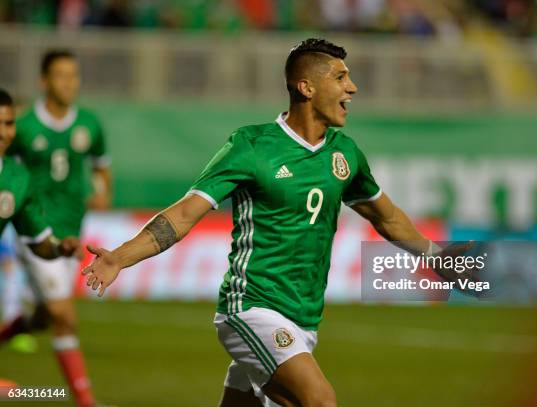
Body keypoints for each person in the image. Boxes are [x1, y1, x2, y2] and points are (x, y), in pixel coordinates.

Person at [82, 38, 470, 407]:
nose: (352, 88)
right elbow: (184, 214)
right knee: (319, 400)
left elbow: (386, 217)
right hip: (252, 307)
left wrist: (437, 256)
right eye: (340, 77)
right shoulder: (251, 146)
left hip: (304, 318)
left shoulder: (346, 154)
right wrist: (119, 258)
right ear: (306, 87)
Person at [7, 50, 112, 407]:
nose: (69, 83)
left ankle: (9, 331)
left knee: (43, 315)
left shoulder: (89, 123)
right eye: (61, 76)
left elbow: (101, 162)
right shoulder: (21, 126)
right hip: (34, 229)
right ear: (44, 81)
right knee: (64, 316)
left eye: (74, 75)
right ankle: (85, 400)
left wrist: (103, 190)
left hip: (71, 232)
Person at [0, 87, 81, 344]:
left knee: (51, 315)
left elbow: (38, 241)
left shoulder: (18, 178)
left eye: (9, 123)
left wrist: (60, 248)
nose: (3, 132)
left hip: (65, 224)